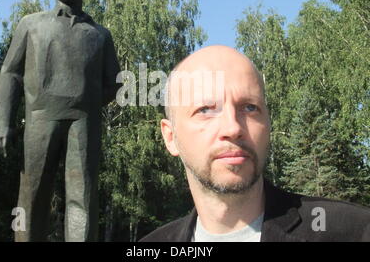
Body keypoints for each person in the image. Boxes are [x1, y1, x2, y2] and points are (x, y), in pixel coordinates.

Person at [140, 45, 370, 242]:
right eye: (205, 110)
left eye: (249, 108)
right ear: (170, 137)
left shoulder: (354, 230)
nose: (233, 128)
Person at [0, 0, 121, 241]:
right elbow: (10, 72)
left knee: (83, 195)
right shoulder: (31, 24)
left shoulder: (99, 34)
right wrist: (2, 123)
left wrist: (86, 102)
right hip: (40, 117)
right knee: (32, 191)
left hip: (83, 121)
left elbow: (116, 81)